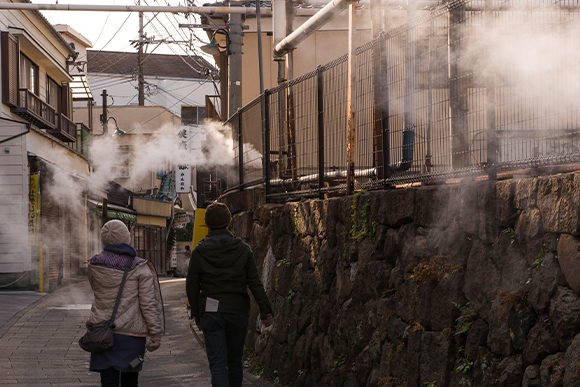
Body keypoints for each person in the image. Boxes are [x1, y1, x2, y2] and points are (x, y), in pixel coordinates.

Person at [186, 201, 274, 387]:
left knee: (217, 365)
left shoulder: (200, 252)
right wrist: (266, 312)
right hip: (237, 312)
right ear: (230, 222)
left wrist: (196, 313)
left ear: (206, 225)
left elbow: (192, 287)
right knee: (234, 363)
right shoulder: (243, 249)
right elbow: (255, 283)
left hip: (211, 313)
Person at [87, 220, 164, 387]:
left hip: (102, 334)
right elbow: (148, 304)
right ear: (127, 238)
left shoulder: (93, 264)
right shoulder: (139, 267)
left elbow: (96, 292)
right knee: (131, 380)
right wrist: (155, 334)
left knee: (108, 382)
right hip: (132, 338)